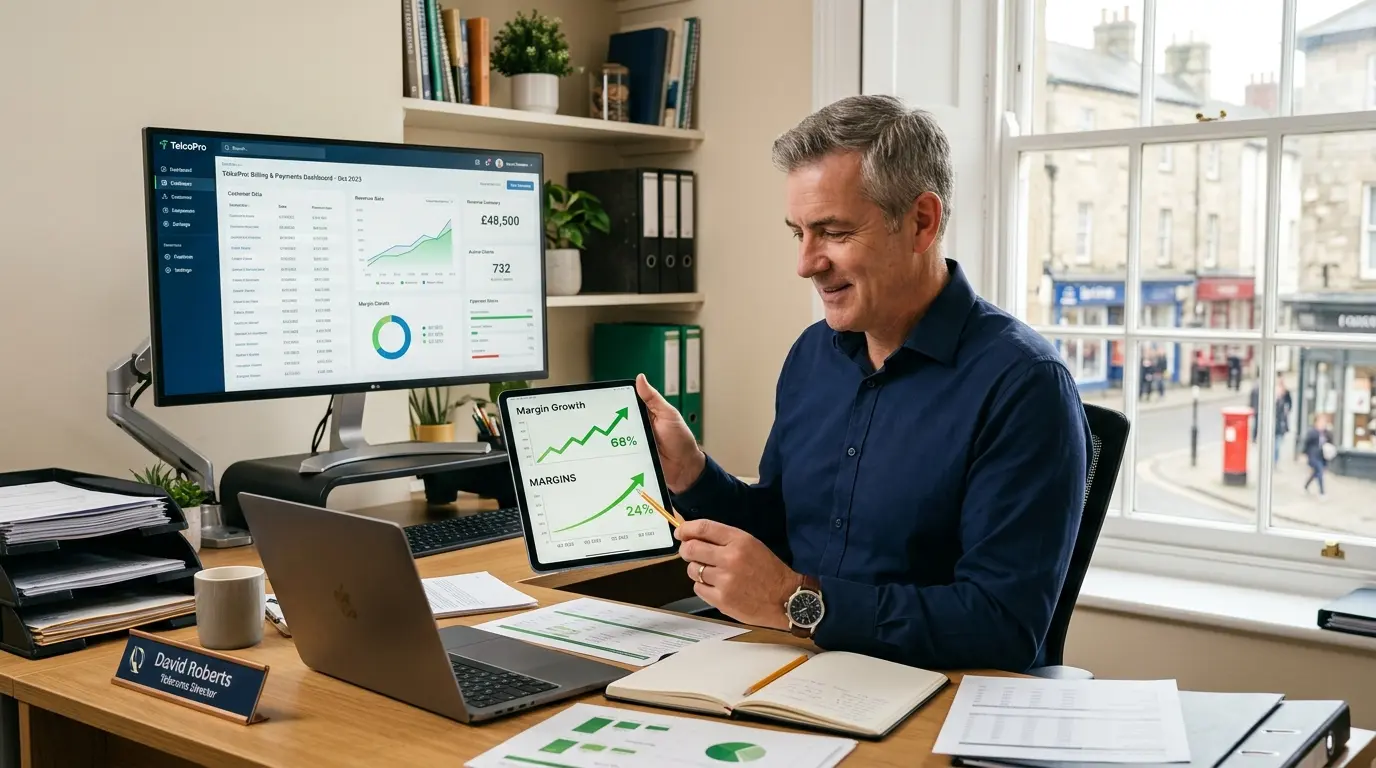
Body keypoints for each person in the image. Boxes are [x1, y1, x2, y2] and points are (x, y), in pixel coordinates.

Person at [635, 95, 1091, 673]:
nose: (806, 263)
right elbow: (782, 528)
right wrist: (693, 474)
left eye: (833, 231)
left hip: (931, 701)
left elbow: (1003, 625)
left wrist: (792, 602)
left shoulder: (1024, 384)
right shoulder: (811, 356)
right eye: (797, 232)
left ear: (922, 221)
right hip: (797, 672)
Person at [1302, 413, 1334, 497]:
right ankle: (1322, 492)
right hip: (1313, 456)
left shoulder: (1326, 433)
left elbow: (1330, 442)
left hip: (1322, 456)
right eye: (1321, 422)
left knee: (1316, 473)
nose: (1322, 424)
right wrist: (1305, 454)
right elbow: (1307, 443)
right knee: (1319, 471)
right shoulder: (1312, 432)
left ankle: (1306, 485)